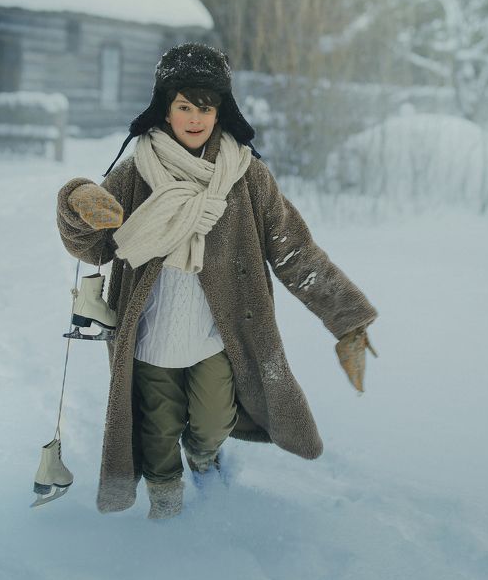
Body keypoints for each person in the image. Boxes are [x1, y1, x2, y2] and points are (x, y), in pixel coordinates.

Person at [56, 43, 377, 519]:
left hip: (215, 337)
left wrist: (347, 319)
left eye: (205, 107)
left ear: (220, 110)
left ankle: (204, 459)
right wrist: (77, 202)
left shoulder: (248, 177)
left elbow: (295, 252)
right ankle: (167, 517)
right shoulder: (134, 172)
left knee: (210, 422)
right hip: (149, 336)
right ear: (165, 110)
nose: (194, 117)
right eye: (183, 106)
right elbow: (95, 248)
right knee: (157, 433)